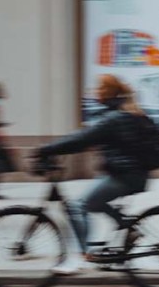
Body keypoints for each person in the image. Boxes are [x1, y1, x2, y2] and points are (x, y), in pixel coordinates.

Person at [36, 74, 151, 274]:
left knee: (79, 205)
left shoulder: (113, 118)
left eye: (99, 89)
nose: (95, 92)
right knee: (95, 202)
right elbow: (85, 138)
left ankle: (82, 255)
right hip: (127, 173)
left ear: (107, 93)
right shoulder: (119, 113)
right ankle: (129, 227)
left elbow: (82, 139)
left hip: (125, 175)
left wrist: (47, 149)